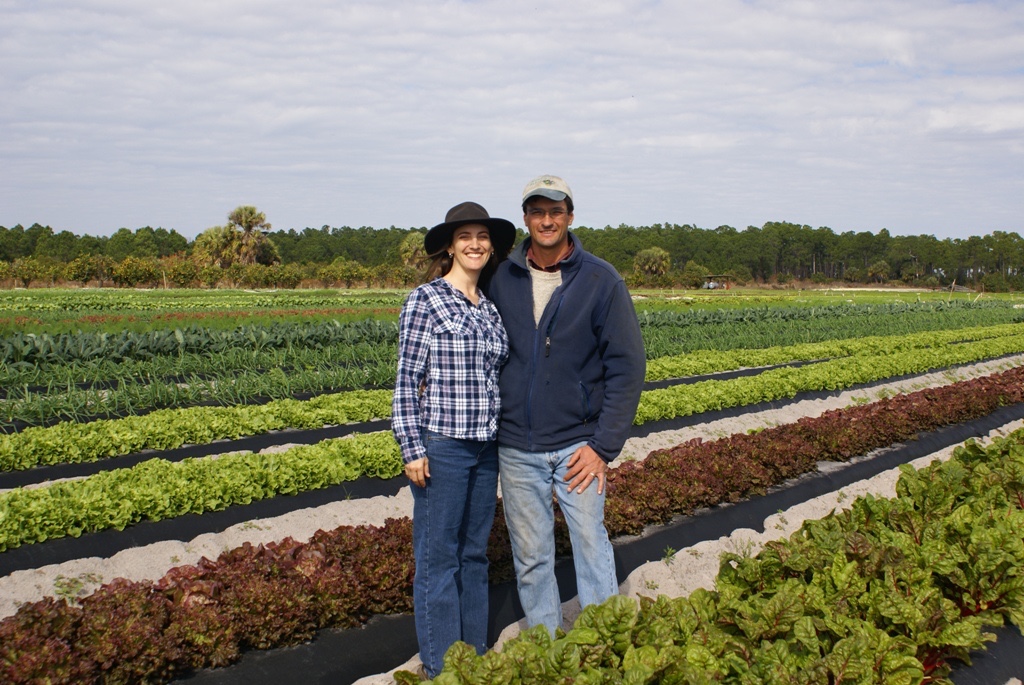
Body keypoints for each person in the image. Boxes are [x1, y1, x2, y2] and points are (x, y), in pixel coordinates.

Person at [487, 175, 646, 635]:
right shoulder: (502, 277)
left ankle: (602, 640)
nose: (547, 220)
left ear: (570, 217)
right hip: (517, 446)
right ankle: (548, 648)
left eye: (556, 211)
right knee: (531, 556)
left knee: (591, 544)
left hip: (580, 445)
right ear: (525, 219)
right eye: (537, 212)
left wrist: (603, 447)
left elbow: (627, 366)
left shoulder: (600, 279)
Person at [391, 201, 515, 678]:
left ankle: (473, 655)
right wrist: (412, 447)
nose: (475, 244)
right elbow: (407, 379)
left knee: (474, 554)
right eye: (465, 236)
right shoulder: (426, 299)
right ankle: (441, 666)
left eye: (482, 237)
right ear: (449, 246)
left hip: (485, 446)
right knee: (438, 556)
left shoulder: (490, 309)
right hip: (443, 443)